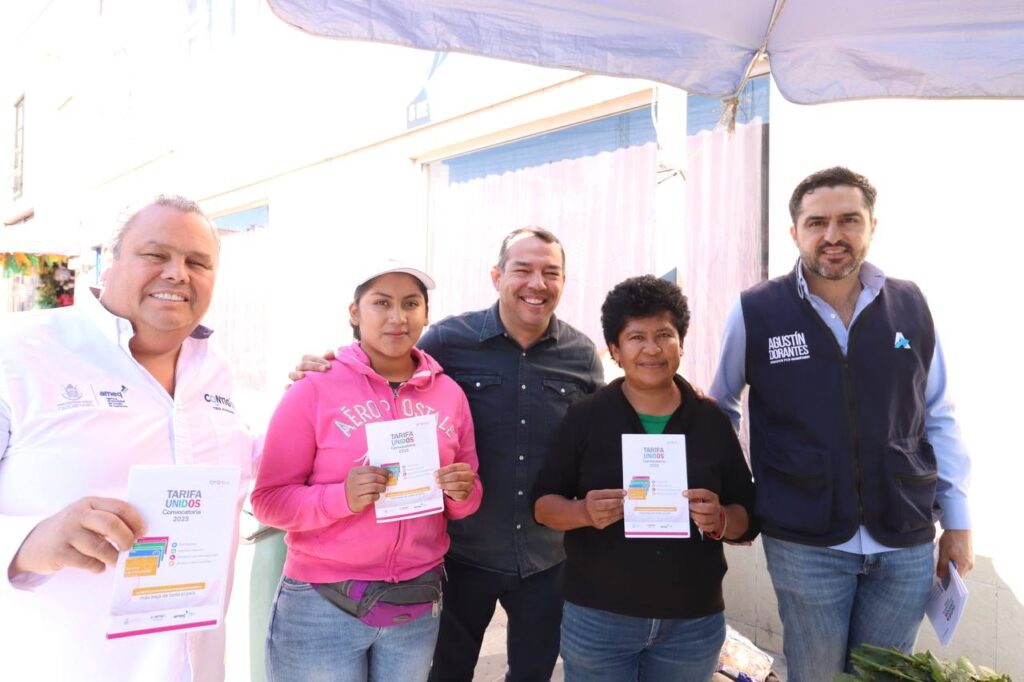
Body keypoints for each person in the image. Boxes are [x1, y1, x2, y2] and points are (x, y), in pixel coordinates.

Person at [292, 227, 603, 681]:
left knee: (534, 672)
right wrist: (326, 365)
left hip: (546, 556)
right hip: (462, 554)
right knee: (447, 672)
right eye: (522, 270)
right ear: (497, 276)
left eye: (550, 272)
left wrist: (670, 392)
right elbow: (384, 360)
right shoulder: (447, 341)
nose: (537, 283)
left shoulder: (581, 354)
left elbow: (599, 429)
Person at [709, 167, 973, 681]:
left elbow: (938, 413)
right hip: (805, 543)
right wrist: (746, 497)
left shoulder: (910, 305)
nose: (833, 236)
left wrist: (958, 524)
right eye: (817, 223)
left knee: (883, 676)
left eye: (849, 220)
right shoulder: (756, 310)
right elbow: (721, 406)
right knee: (817, 675)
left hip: (905, 538)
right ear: (796, 233)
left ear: (872, 225)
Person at [0, 196, 254, 681]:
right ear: (112, 260)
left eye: (197, 262)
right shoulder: (17, 355)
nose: (178, 273)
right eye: (156, 255)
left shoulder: (215, 369)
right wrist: (28, 542)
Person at [251, 262, 482, 682]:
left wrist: (461, 492)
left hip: (413, 604)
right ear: (355, 313)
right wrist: (341, 497)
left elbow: (467, 499)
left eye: (411, 304)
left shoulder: (449, 394)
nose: (398, 317)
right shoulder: (314, 387)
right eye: (381, 303)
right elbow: (267, 501)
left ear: (426, 315)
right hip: (322, 605)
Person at [533, 275, 756, 681]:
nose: (651, 349)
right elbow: (544, 506)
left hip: (691, 622)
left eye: (664, 335)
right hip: (600, 617)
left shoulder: (709, 421)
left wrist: (719, 519)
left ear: (681, 343)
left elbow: (747, 516)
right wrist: (584, 511)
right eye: (636, 337)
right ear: (615, 350)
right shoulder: (586, 417)